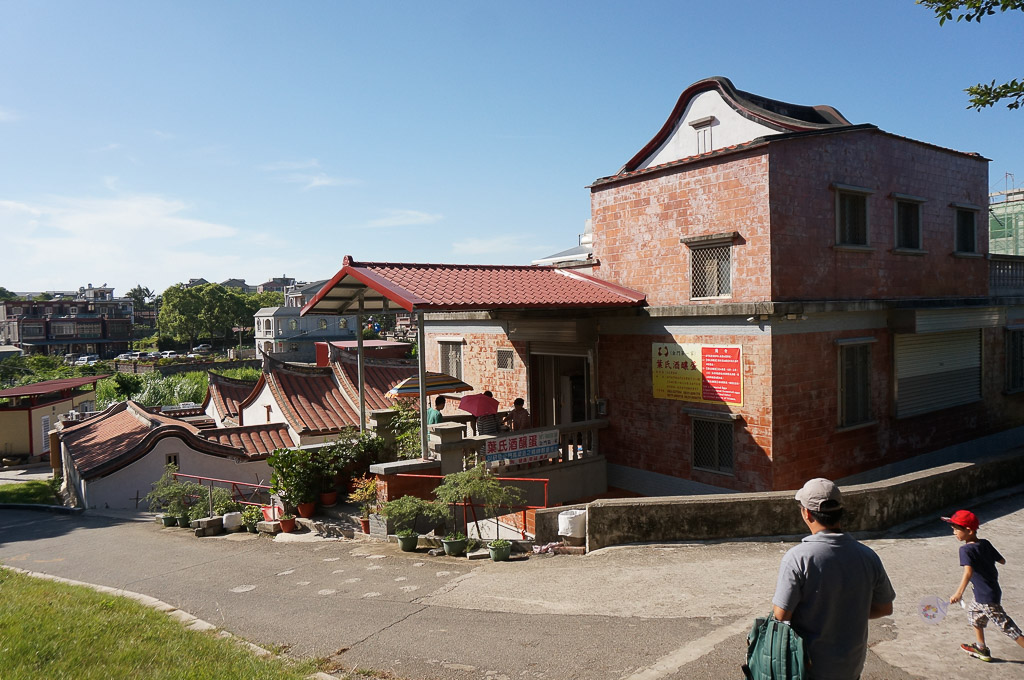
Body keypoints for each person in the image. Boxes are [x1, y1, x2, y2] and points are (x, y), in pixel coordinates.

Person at [772, 478, 895, 679]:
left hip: (809, 668)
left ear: (806, 513)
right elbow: (884, 608)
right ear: (840, 512)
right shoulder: (868, 556)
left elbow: (781, 614)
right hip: (850, 667)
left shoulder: (797, 558)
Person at [944, 508, 1024, 662]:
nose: (954, 532)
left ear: (968, 530)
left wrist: (958, 593)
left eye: (956, 529)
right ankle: (981, 648)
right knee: (974, 616)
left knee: (1007, 627)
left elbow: (968, 572)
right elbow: (1002, 560)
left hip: (987, 597)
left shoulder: (965, 550)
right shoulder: (985, 543)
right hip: (988, 592)